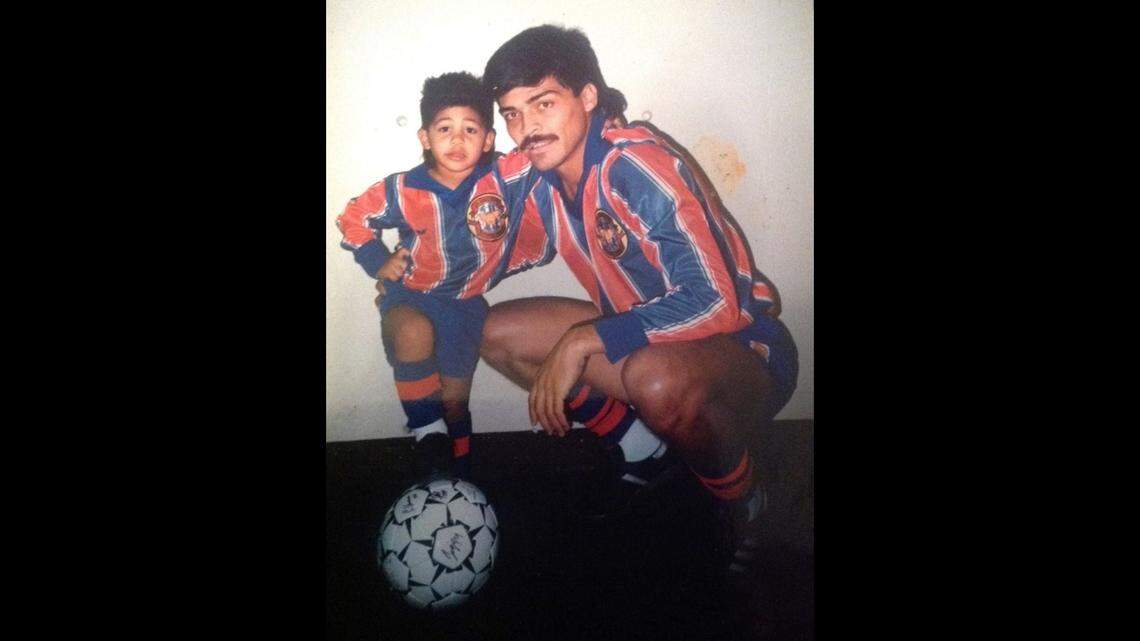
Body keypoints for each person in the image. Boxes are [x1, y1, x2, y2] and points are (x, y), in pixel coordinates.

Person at [479, 25, 799, 586]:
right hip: (648, 344)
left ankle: (747, 501)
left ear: (587, 97)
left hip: (745, 349)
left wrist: (584, 338)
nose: (524, 129)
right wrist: (422, 272)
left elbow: (718, 302)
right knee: (493, 331)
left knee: (653, 378)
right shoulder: (543, 179)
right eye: (510, 114)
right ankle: (644, 449)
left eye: (542, 104)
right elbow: (501, 254)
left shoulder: (636, 163)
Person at [335, 72, 670, 490]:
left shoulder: (504, 175)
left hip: (465, 307)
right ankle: (426, 434)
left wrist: (606, 118)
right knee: (412, 332)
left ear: (490, 139)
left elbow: (550, 145)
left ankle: (455, 480)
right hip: (411, 295)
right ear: (424, 137)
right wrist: (376, 260)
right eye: (445, 129)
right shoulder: (402, 189)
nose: (457, 141)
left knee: (455, 405)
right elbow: (353, 219)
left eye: (470, 130)